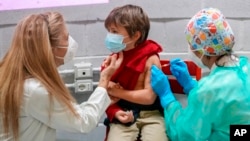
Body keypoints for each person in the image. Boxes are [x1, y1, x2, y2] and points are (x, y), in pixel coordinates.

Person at [0, 12, 123, 141]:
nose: (71, 42)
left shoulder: (15, 77)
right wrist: (104, 80)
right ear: (51, 48)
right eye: (66, 37)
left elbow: (69, 113)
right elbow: (83, 122)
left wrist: (103, 99)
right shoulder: (34, 90)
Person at [150, 7, 250, 141]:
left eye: (191, 45)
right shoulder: (245, 66)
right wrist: (191, 87)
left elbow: (185, 135)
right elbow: (222, 104)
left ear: (200, 50)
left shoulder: (208, 90)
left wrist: (167, 98)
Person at [102, 4, 168, 141]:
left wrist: (116, 92)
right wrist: (115, 112)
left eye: (114, 31)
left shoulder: (151, 58)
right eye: (109, 31)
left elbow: (149, 97)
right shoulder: (112, 59)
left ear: (136, 35)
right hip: (123, 113)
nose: (110, 36)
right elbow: (104, 94)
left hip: (152, 115)